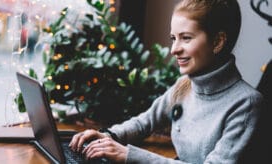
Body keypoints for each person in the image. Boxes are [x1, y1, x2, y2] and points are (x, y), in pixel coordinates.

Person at [69, 0, 266, 163]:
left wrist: (129, 155)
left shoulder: (247, 104)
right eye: (173, 38)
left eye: (185, 38)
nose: (174, 49)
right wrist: (109, 136)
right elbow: (144, 123)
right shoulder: (184, 86)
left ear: (218, 42)